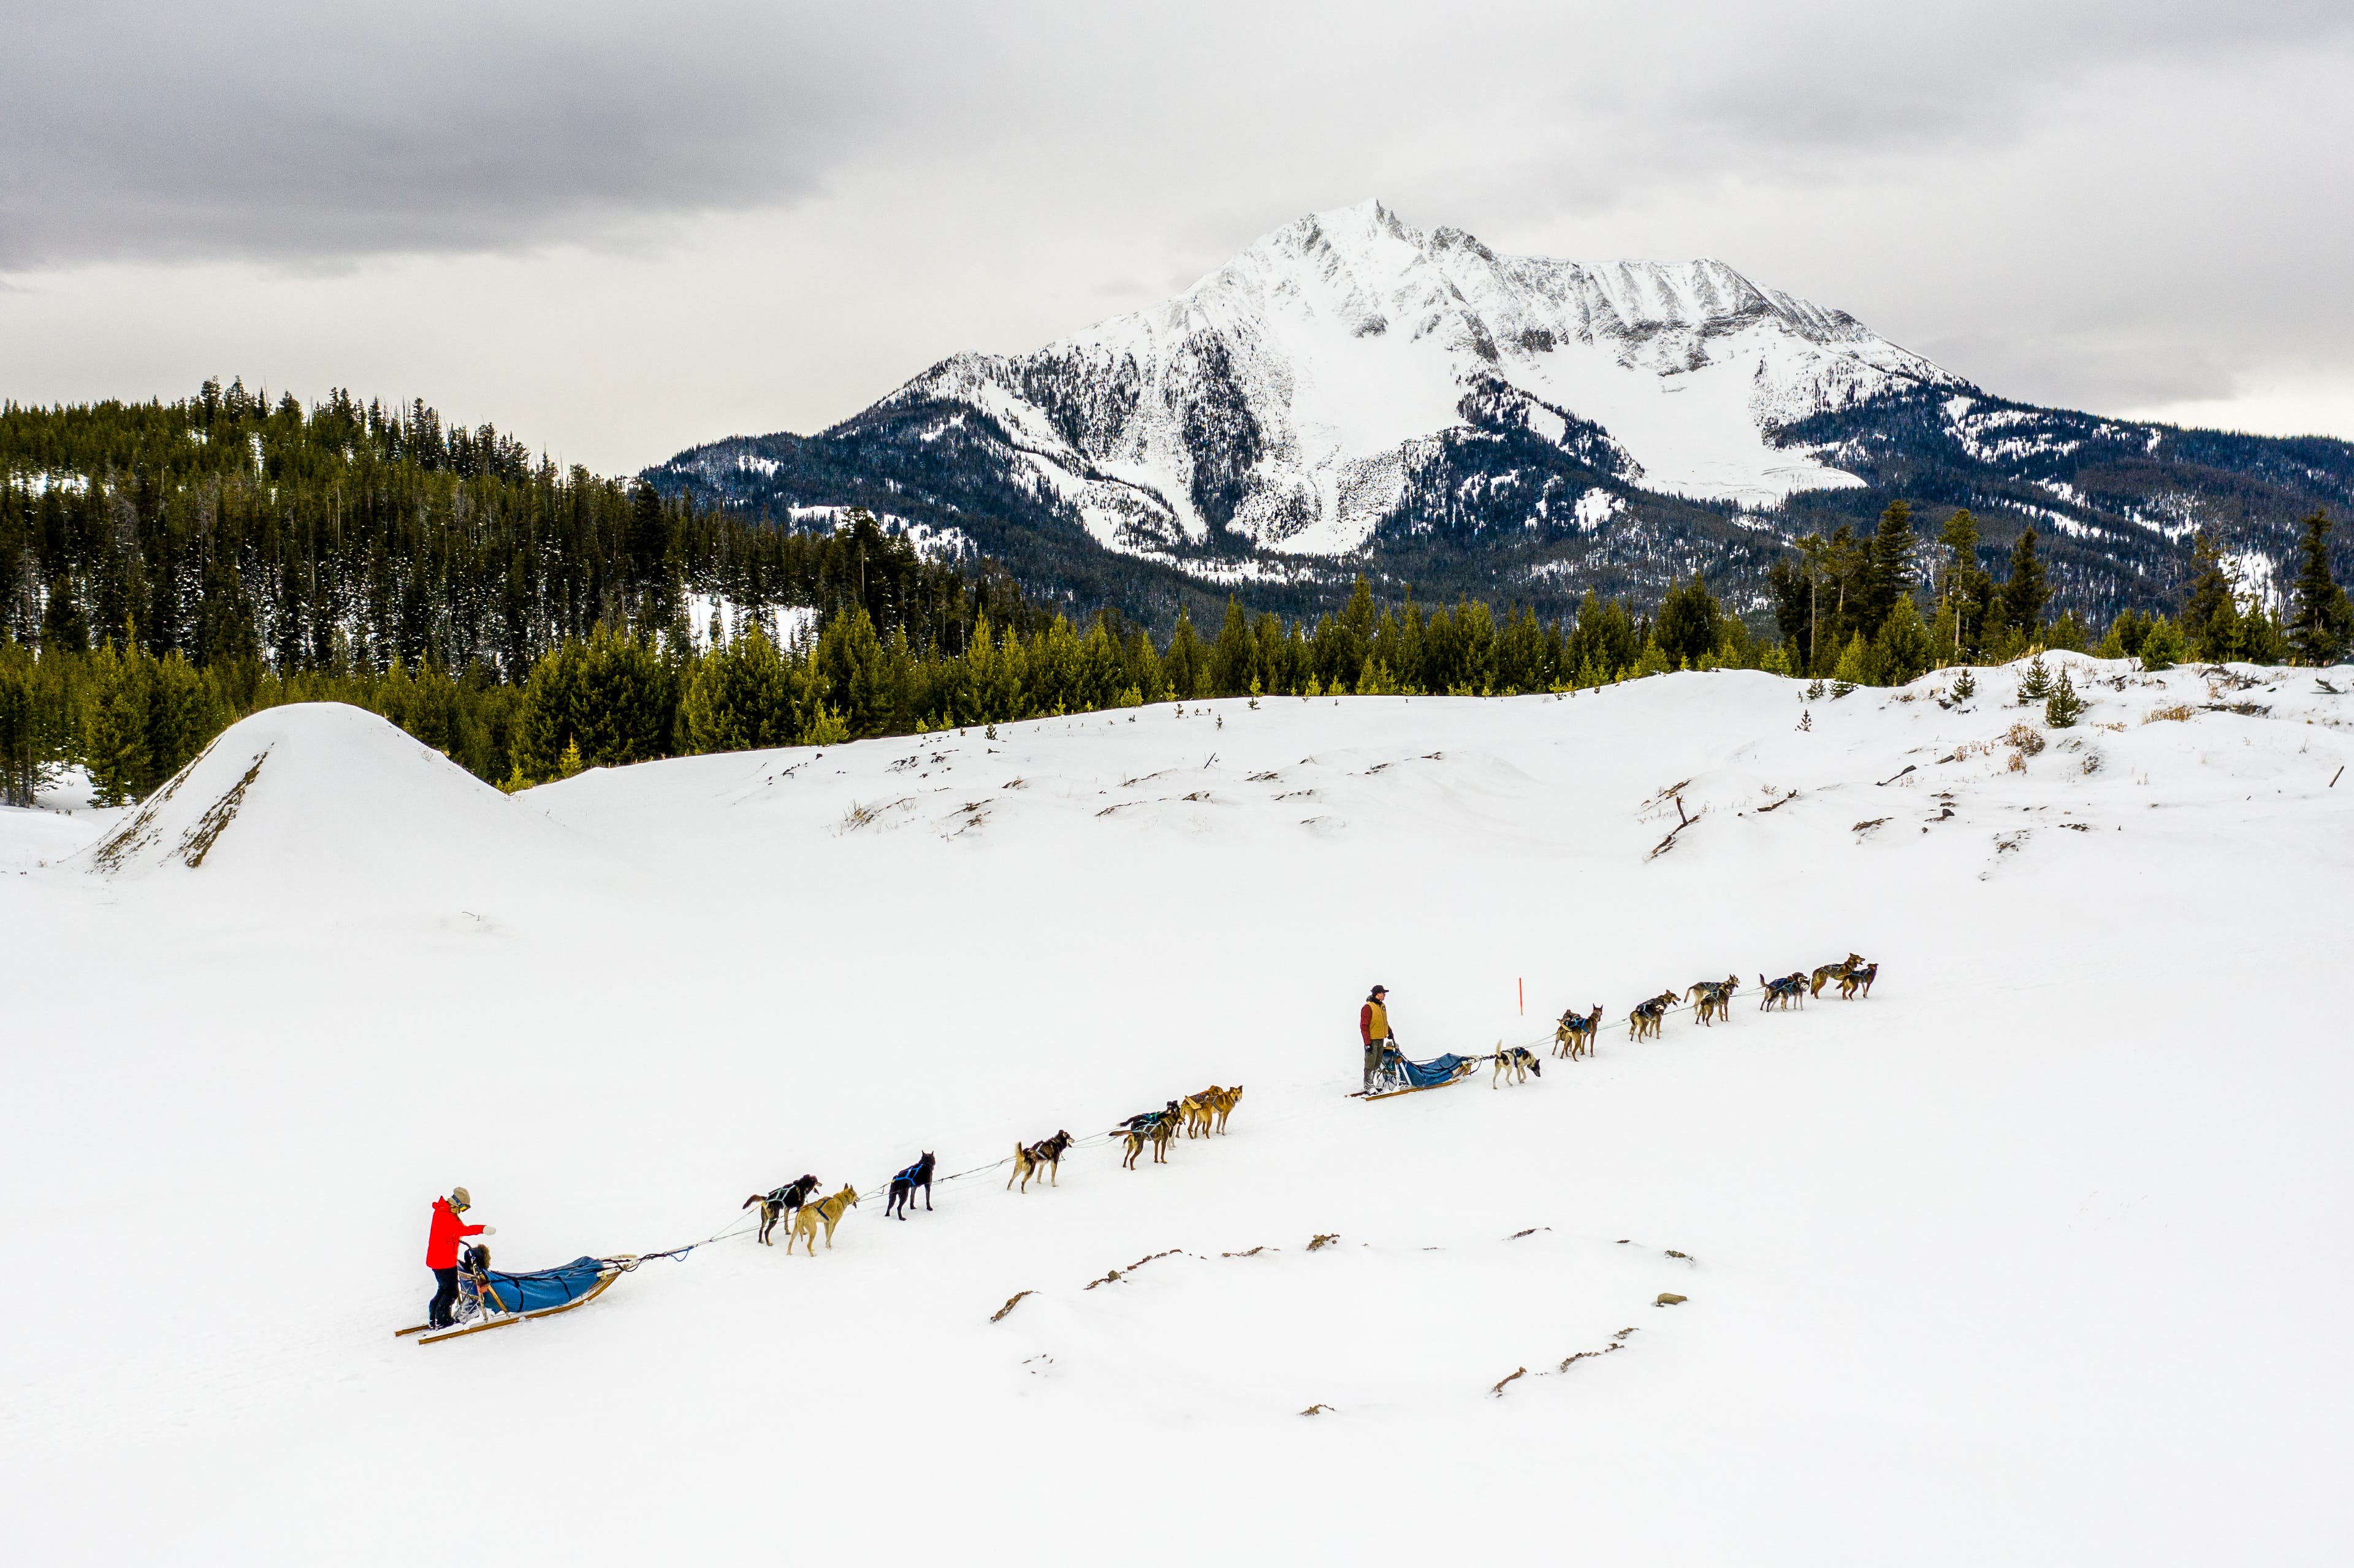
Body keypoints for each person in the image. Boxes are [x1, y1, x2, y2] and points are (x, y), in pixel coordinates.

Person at [425, 1186, 495, 1329]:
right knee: (451, 1292)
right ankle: (443, 1322)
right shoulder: (447, 1217)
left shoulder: (441, 1212)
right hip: (444, 1262)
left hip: (437, 1260)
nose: (462, 1212)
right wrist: (483, 1229)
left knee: (443, 1289)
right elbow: (464, 1230)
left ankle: (434, 1320)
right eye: (463, 1208)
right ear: (457, 1203)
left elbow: (450, 1234)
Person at [1360, 984, 1396, 1091]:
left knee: (1377, 1062)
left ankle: (1372, 1083)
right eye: (1383, 993)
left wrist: (1389, 1031)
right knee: (1370, 1063)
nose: (1385, 995)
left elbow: (1384, 1022)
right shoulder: (1368, 1007)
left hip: (1381, 1038)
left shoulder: (1382, 1006)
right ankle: (1368, 1085)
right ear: (1378, 994)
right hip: (1372, 1040)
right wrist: (1367, 1043)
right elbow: (1364, 1026)